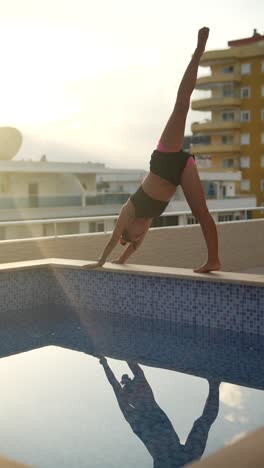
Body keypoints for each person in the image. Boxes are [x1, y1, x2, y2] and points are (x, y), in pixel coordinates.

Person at [83, 27, 221, 273]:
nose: (139, 238)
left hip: (164, 159)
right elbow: (131, 247)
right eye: (137, 239)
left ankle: (197, 53)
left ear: (128, 231)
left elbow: (115, 238)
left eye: (133, 238)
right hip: (179, 169)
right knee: (201, 212)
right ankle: (214, 259)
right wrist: (123, 260)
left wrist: (101, 261)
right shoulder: (144, 223)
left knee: (181, 107)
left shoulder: (129, 211)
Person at [99, 356, 220, 467]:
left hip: (171, 458)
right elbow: (116, 387)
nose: (140, 391)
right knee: (202, 423)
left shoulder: (145, 404)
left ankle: (214, 384)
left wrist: (119, 358)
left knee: (202, 423)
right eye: (134, 390)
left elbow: (135, 373)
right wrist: (105, 364)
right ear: (130, 397)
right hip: (170, 460)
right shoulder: (134, 415)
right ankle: (214, 384)